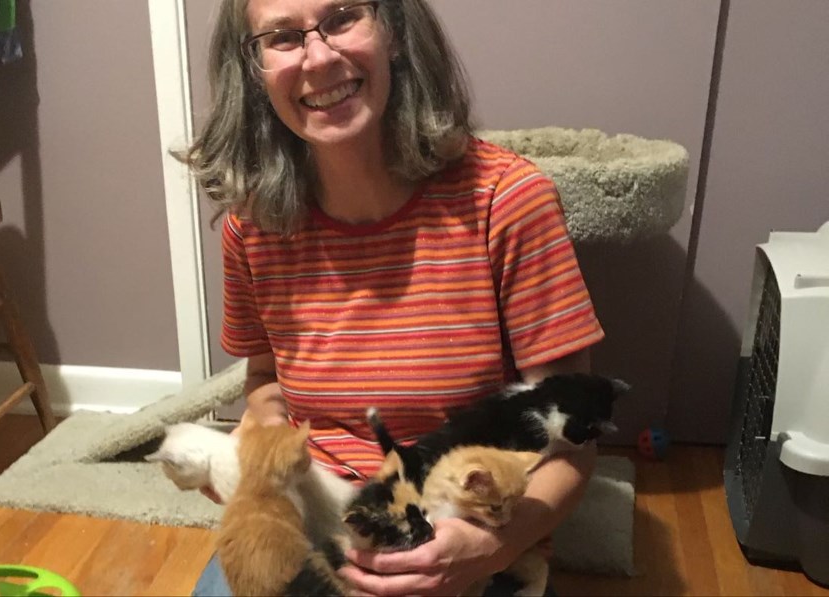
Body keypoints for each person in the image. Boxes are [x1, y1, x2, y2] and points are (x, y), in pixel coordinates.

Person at [183, 0, 605, 595]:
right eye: (282, 37)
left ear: (396, 33)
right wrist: (263, 448)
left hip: (462, 530)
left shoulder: (508, 202)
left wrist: (489, 548)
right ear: (252, 74)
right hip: (317, 517)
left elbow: (573, 441)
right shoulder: (252, 228)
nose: (319, 56)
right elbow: (265, 380)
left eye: (343, 17)